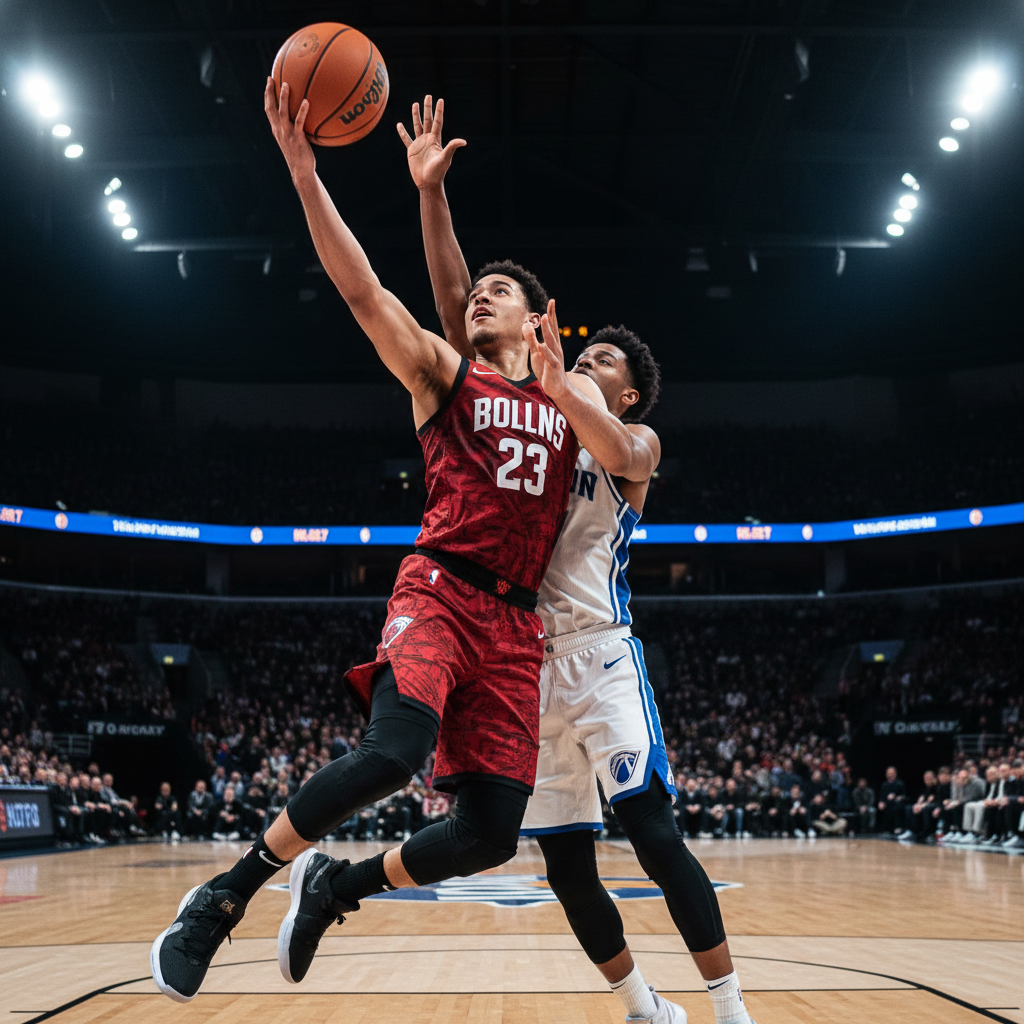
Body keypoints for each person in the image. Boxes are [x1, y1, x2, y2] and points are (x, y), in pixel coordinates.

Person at [151, 76, 624, 1003]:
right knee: (393, 754)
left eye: (501, 293)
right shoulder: (446, 374)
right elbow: (367, 287)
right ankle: (225, 894)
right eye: (475, 292)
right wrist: (305, 173)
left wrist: (587, 389)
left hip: (519, 631)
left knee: (490, 832)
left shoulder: (573, 409)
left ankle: (336, 887)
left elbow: (634, 452)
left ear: (539, 322)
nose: (478, 297)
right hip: (440, 592)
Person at [391, 95, 755, 1024]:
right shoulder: (532, 419)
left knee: (654, 831)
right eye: (577, 356)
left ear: (628, 391)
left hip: (599, 657)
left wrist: (566, 387)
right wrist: (432, 197)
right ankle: (641, 1003)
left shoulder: (631, 445)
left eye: (600, 362)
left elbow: (619, 446)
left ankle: (730, 1007)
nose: (581, 364)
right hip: (522, 666)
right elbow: (452, 311)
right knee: (563, 864)